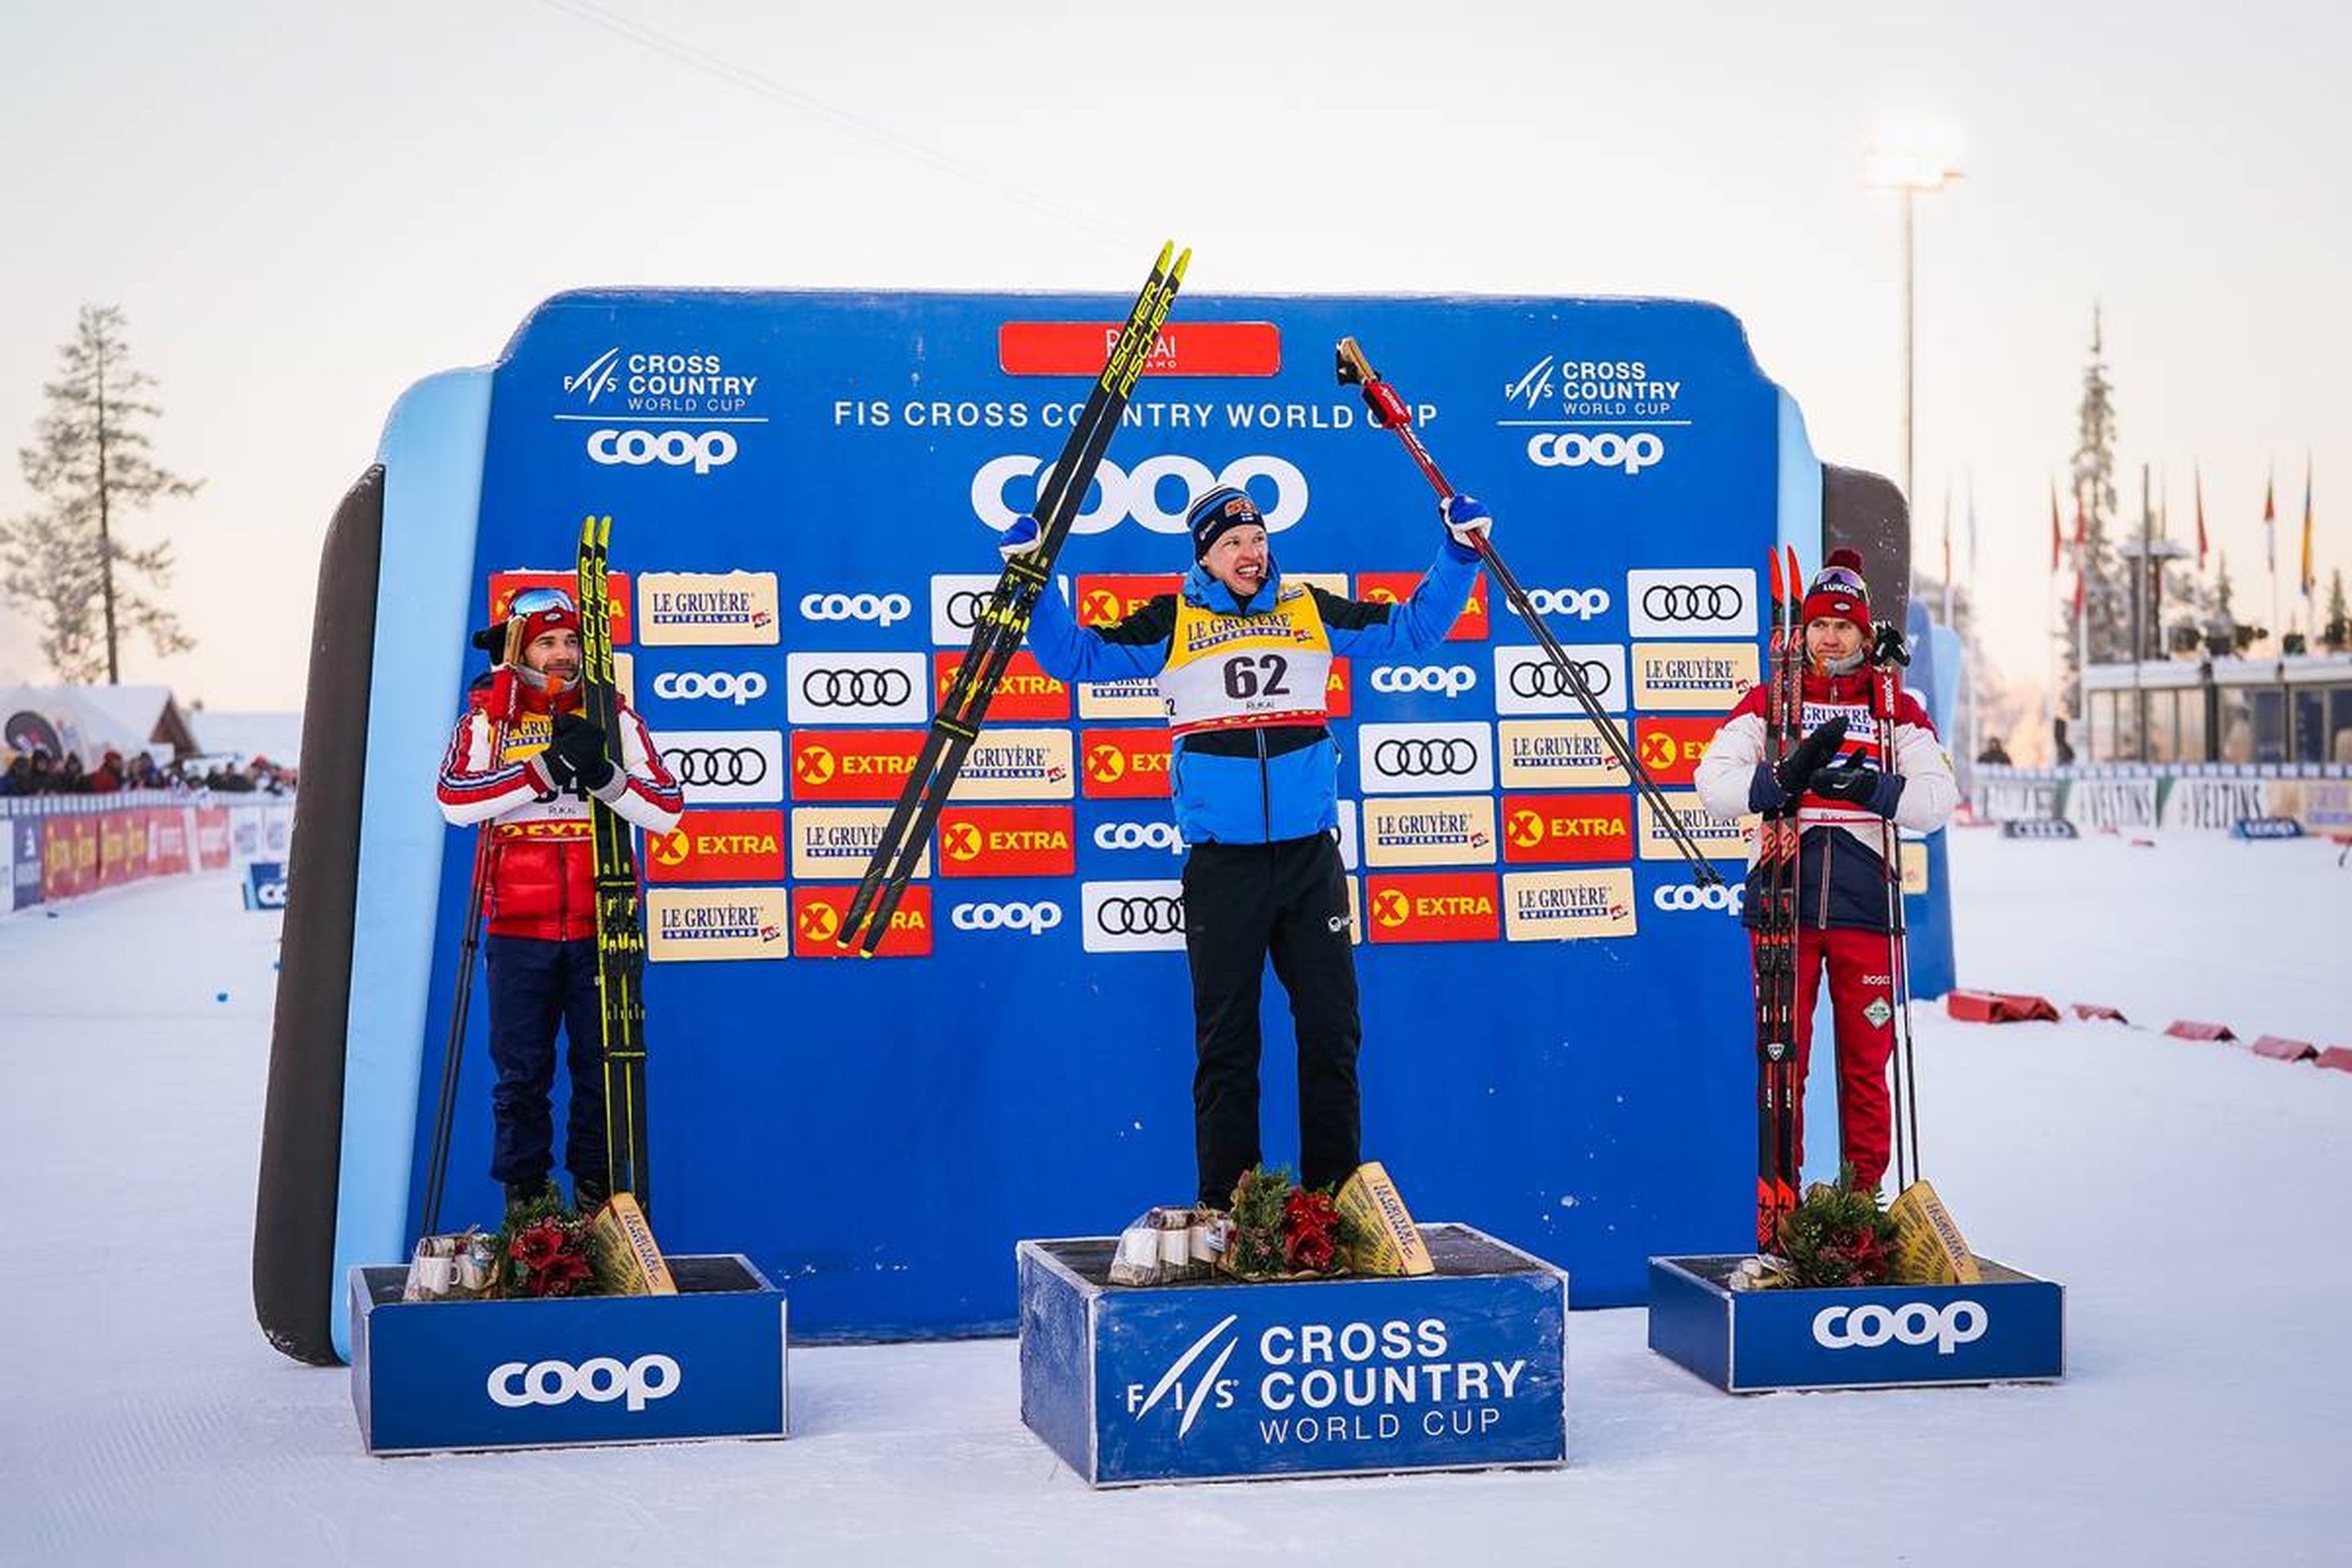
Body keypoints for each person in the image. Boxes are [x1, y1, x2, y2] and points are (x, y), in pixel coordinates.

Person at [1009, 484, 1490, 1207]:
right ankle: (1234, 1212)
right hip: (1223, 866)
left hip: (1309, 862)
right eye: (1233, 542)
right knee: (1228, 1048)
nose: (1250, 553)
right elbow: (1074, 657)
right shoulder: (1172, 619)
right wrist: (1032, 579)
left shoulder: (1307, 608)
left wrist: (1458, 553)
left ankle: (1334, 1207)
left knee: (1332, 1036)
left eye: (1258, 539)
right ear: (1204, 551)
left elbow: (1412, 631)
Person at [1695, 548, 1957, 1197]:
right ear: (1802, 633)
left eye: (1844, 626)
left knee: (1868, 1066)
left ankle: (1861, 1201)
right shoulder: (1770, 701)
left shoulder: (1895, 709)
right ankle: (1777, 1205)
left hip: (1865, 906)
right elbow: (1712, 783)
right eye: (1819, 625)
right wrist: (1779, 780)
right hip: (1784, 902)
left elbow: (1936, 802)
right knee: (1783, 1063)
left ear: (1865, 635)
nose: (1830, 637)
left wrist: (1873, 790)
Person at [435, 586, 684, 1211]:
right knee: (521, 1078)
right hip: (519, 929)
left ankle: (597, 1200)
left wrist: (601, 774)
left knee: (602, 1072)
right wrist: (542, 769)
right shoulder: (489, 719)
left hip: (603, 924)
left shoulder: (611, 715)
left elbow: (665, 812)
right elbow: (455, 800)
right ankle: (528, 1205)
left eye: (572, 640)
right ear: (519, 647)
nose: (562, 653)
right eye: (547, 641)